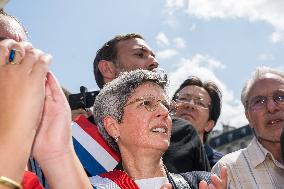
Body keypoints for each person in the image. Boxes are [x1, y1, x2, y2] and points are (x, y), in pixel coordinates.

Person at [92, 33, 211, 173]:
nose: (154, 62)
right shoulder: (78, 141)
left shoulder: (183, 133)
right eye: (140, 54)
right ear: (107, 68)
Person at [92, 69, 227, 189]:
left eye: (165, 105)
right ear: (113, 127)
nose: (164, 112)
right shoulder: (90, 186)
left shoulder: (206, 183)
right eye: (146, 103)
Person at [0, 39, 93, 189]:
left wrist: (57, 153)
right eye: (7, 51)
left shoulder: (30, 182)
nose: (18, 67)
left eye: (25, 55)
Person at [212, 66, 284, 189]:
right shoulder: (228, 171)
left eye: (281, 97)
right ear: (248, 116)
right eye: (259, 101)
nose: (272, 107)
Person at [171, 76, 223, 168]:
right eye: (183, 98)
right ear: (170, 108)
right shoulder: (149, 155)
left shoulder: (222, 166)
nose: (190, 104)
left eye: (199, 103)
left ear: (209, 124)